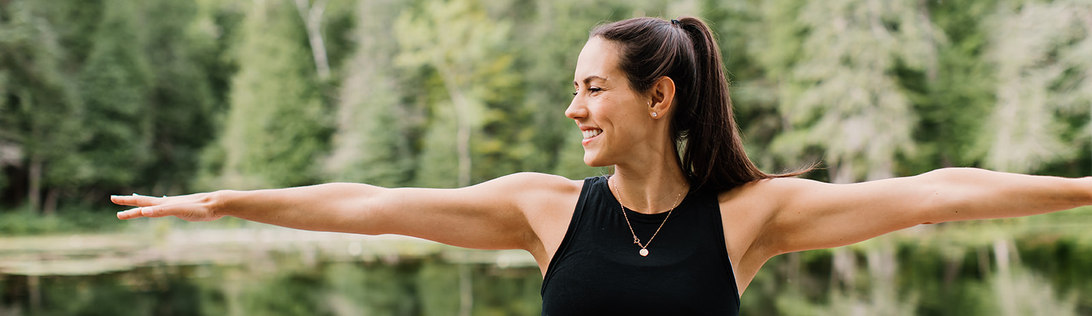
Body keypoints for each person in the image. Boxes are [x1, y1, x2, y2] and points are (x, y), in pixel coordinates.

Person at [111, 16, 1092, 315]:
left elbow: (938, 191)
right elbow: (372, 203)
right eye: (575, 88)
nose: (573, 106)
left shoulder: (750, 216)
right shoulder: (540, 210)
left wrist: (1088, 187)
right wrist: (226, 199)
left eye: (593, 88)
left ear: (656, 98)